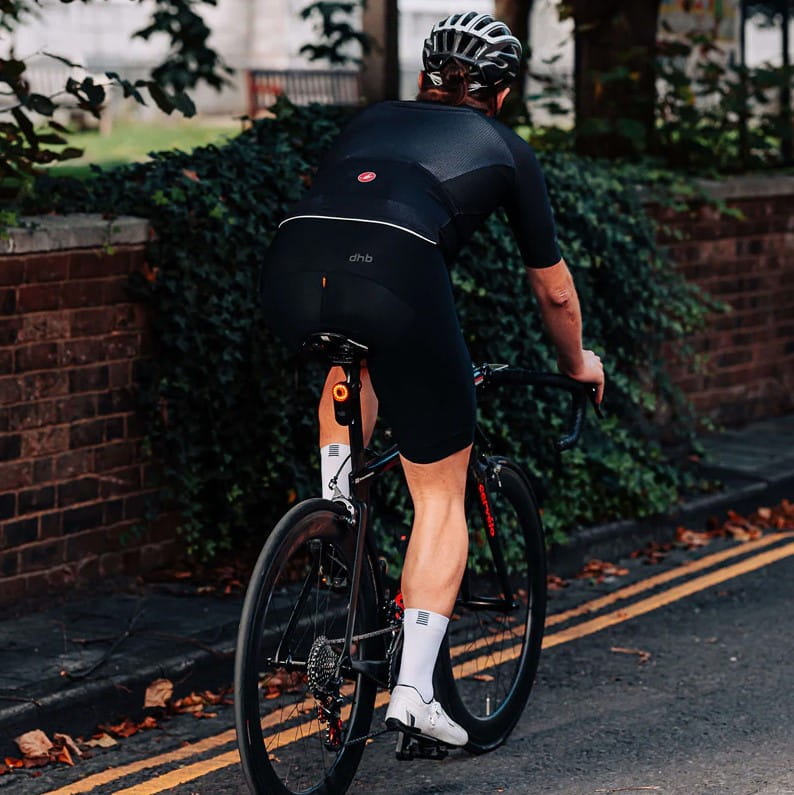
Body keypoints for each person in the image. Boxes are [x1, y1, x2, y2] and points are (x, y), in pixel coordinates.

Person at [259, 11, 605, 748]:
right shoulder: (505, 148)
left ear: (424, 77)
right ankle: (415, 692)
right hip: (398, 279)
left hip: (293, 272)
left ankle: (335, 511)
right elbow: (554, 290)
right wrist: (579, 364)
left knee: (354, 353)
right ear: (502, 93)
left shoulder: (371, 119)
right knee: (440, 493)